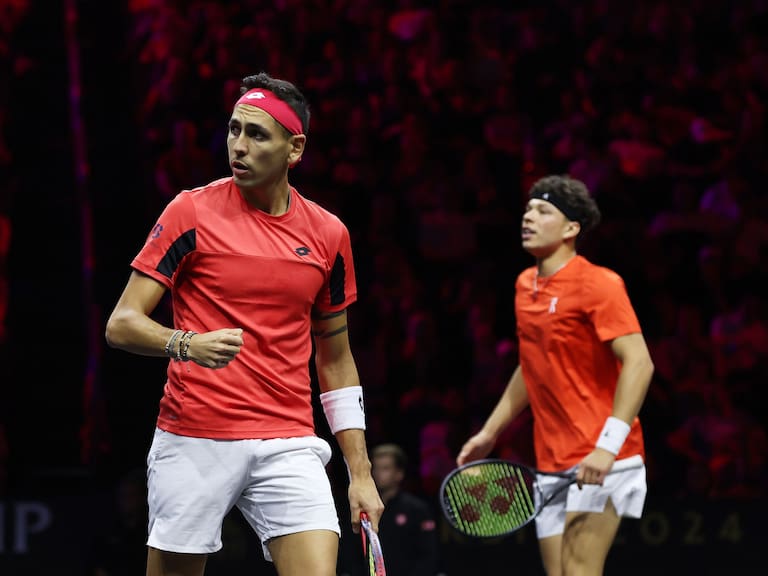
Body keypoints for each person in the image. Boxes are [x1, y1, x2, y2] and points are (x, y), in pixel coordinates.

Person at [105, 71, 384, 576]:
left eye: (257, 134)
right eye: (234, 129)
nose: (238, 146)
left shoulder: (328, 235)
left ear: (294, 148)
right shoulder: (190, 211)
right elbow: (121, 323)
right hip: (194, 436)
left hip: (288, 440)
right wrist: (186, 344)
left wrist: (360, 474)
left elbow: (336, 361)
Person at [456, 174, 654, 576]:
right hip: (550, 460)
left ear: (570, 229)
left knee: (579, 571)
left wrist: (607, 446)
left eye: (543, 211)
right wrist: (490, 433)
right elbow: (532, 366)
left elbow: (640, 363)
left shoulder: (599, 283)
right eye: (528, 209)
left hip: (603, 455)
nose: (528, 217)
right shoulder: (524, 285)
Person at [370, 443, 441, 576]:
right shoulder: (366, 509)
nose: (378, 473)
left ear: (399, 474)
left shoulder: (417, 509)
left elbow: (428, 555)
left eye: (385, 468)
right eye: (375, 468)